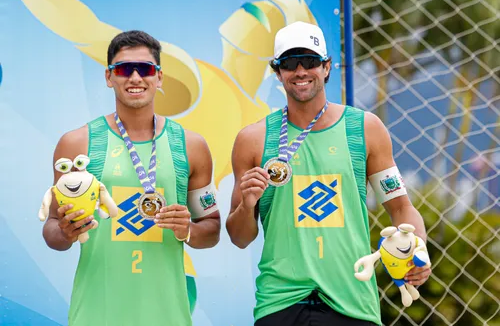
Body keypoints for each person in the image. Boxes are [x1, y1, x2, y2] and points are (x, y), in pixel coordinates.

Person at [226, 21, 431, 326]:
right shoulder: (253, 140)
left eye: (309, 61)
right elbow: (240, 237)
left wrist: (419, 251)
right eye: (289, 63)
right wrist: (247, 203)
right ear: (277, 71)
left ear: (326, 67)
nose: (300, 71)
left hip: (352, 301)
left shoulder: (364, 128)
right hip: (280, 302)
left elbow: (401, 207)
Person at [42, 30, 221, 326]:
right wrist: (65, 232)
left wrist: (186, 229)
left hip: (168, 316)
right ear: (109, 77)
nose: (135, 77)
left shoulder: (191, 146)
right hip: (95, 316)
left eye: (146, 69)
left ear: (159, 77)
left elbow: (211, 230)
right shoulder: (76, 144)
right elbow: (51, 229)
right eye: (124, 69)